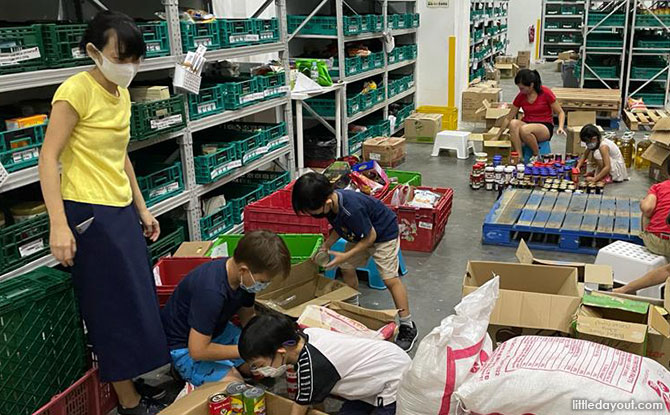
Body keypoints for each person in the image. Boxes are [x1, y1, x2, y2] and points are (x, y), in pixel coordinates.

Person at [39, 11, 169, 415]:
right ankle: (129, 403)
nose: (129, 66)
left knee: (136, 297)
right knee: (109, 306)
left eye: (136, 59)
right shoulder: (74, 92)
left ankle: (139, 378)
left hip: (119, 208)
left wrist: (142, 208)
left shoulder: (121, 92)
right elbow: (47, 158)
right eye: (122, 56)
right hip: (87, 211)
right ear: (94, 51)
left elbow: (121, 156)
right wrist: (58, 225)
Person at [291, 172, 418, 352]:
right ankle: (353, 308)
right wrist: (326, 246)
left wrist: (345, 255)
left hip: (383, 234)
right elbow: (339, 227)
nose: (313, 216)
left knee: (389, 279)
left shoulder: (351, 208)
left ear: (326, 203)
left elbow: (370, 237)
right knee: (347, 268)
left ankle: (407, 325)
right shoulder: (330, 205)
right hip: (359, 232)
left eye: (312, 212)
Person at [160, 230, 291, 387]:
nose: (264, 285)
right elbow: (197, 350)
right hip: (186, 346)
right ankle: (181, 369)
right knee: (234, 383)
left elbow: (248, 318)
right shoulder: (211, 292)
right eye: (263, 281)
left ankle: (229, 362)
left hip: (217, 330)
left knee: (259, 369)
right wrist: (250, 351)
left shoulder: (244, 281)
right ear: (243, 270)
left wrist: (266, 342)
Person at [239, 313, 411, 415]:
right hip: (376, 369)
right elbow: (314, 398)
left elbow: (301, 406)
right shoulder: (304, 335)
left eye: (260, 364)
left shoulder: (314, 365)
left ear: (281, 351)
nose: (260, 370)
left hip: (393, 377)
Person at [614, 175, 670, 294]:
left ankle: (646, 235)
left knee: (647, 210)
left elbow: (647, 208)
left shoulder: (659, 187)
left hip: (655, 242)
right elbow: (666, 271)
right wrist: (624, 289)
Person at [498, 68, 566, 163]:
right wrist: (498, 135)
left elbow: (560, 112)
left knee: (525, 129)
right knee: (513, 123)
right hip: (527, 124)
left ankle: (536, 155)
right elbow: (509, 117)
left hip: (544, 126)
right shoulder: (521, 96)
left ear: (531, 85)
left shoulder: (545, 93)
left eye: (522, 88)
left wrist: (561, 127)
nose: (520, 90)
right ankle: (520, 156)